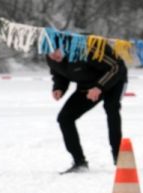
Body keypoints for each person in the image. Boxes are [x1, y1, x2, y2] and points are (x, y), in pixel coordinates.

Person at [46, 42, 127, 172]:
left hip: (114, 79)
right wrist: (59, 87)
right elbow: (59, 73)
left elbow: (116, 67)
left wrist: (99, 87)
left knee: (111, 109)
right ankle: (79, 162)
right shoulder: (51, 59)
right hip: (87, 85)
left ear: (63, 47)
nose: (54, 56)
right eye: (49, 53)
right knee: (64, 118)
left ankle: (119, 158)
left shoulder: (84, 50)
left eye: (56, 51)